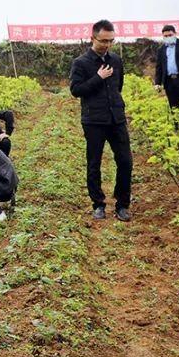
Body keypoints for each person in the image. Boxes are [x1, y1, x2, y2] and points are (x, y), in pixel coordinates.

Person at [69, 20, 132, 222]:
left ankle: (122, 204)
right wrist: (98, 77)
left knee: (125, 161)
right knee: (94, 163)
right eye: (103, 40)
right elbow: (76, 90)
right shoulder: (81, 63)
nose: (107, 45)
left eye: (111, 41)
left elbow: (118, 86)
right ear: (92, 38)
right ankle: (98, 204)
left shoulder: (116, 60)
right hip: (94, 120)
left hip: (116, 118)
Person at [153, 25, 179, 112]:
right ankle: (177, 125)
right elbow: (159, 67)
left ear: (175, 34)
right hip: (169, 82)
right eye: (165, 36)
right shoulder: (161, 49)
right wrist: (157, 82)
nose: (168, 37)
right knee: (174, 107)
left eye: (170, 35)